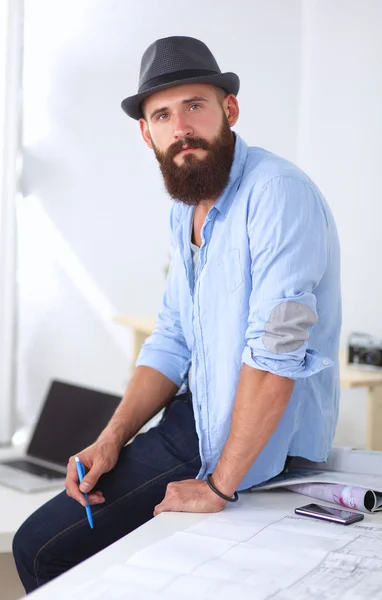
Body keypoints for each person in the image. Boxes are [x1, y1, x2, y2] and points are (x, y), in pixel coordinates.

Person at [13, 35, 341, 592]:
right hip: (193, 421)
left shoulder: (277, 193)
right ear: (147, 134)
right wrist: (113, 435)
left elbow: (277, 350)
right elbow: (171, 340)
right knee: (45, 549)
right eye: (162, 114)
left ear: (228, 110)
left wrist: (220, 486)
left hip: (257, 440)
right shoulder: (186, 207)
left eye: (195, 105)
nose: (180, 127)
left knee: (44, 552)